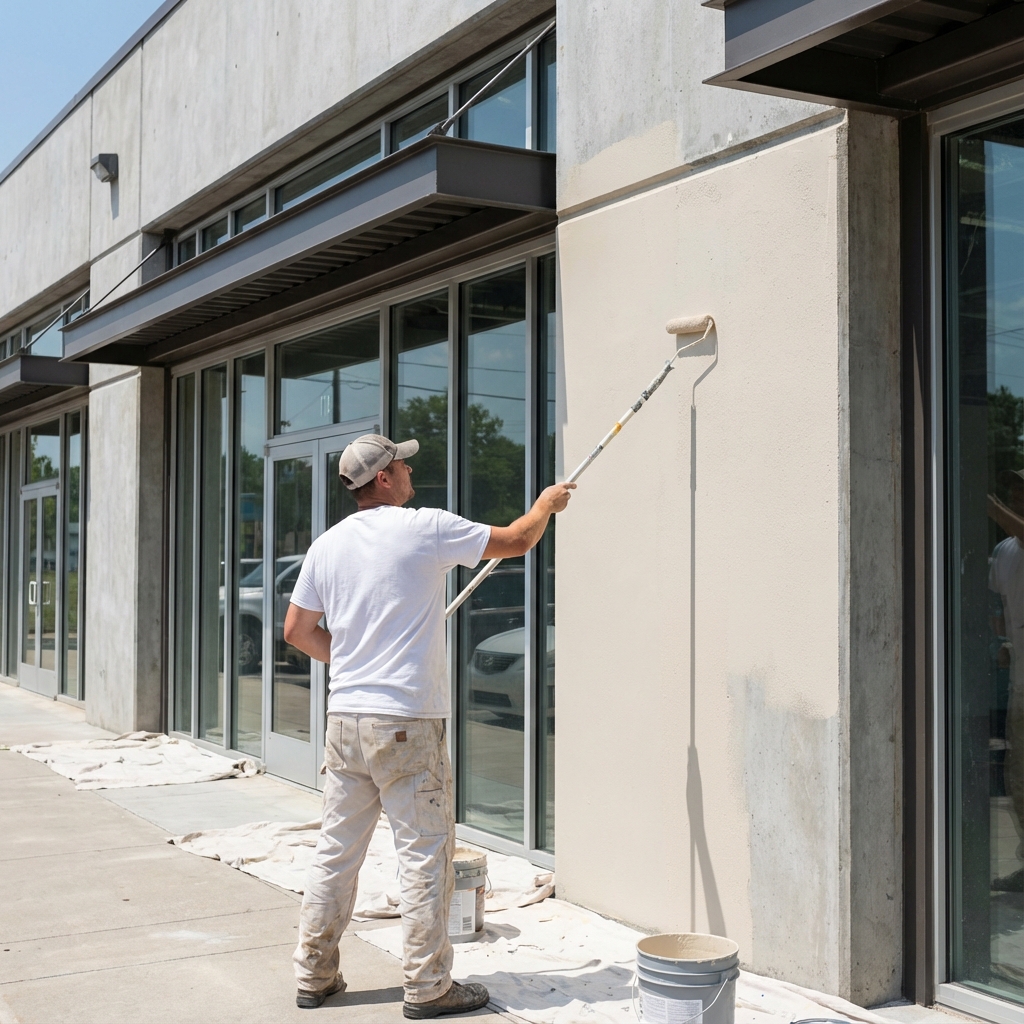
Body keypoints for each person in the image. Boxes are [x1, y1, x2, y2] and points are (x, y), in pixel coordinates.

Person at [285, 433, 574, 1017]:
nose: (410, 468)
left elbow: (296, 632)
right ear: (384, 478)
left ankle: (314, 977)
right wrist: (545, 506)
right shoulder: (421, 527)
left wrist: (355, 657)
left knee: (336, 852)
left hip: (345, 719)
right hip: (406, 723)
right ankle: (428, 987)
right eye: (402, 462)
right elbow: (516, 540)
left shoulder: (328, 545)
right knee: (423, 854)